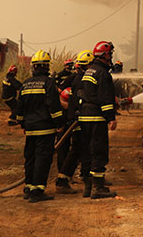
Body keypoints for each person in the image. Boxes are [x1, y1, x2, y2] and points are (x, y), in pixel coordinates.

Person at [17, 50, 64, 203]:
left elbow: (19, 108)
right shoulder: (49, 83)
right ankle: (37, 191)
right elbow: (53, 106)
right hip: (45, 128)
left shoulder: (25, 83)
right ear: (46, 66)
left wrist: (22, 124)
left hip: (30, 129)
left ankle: (28, 188)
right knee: (42, 159)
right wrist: (60, 123)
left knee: (30, 158)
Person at [79, 40, 118, 199]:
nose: (111, 57)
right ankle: (98, 188)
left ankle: (88, 187)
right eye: (110, 54)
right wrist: (111, 118)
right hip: (96, 118)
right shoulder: (103, 73)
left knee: (87, 152)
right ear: (105, 55)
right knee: (99, 152)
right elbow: (105, 98)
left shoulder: (89, 71)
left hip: (84, 117)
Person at [56, 49, 93, 194]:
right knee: (79, 149)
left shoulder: (77, 78)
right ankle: (64, 180)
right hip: (78, 120)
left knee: (79, 149)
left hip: (76, 118)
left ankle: (76, 178)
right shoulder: (82, 80)